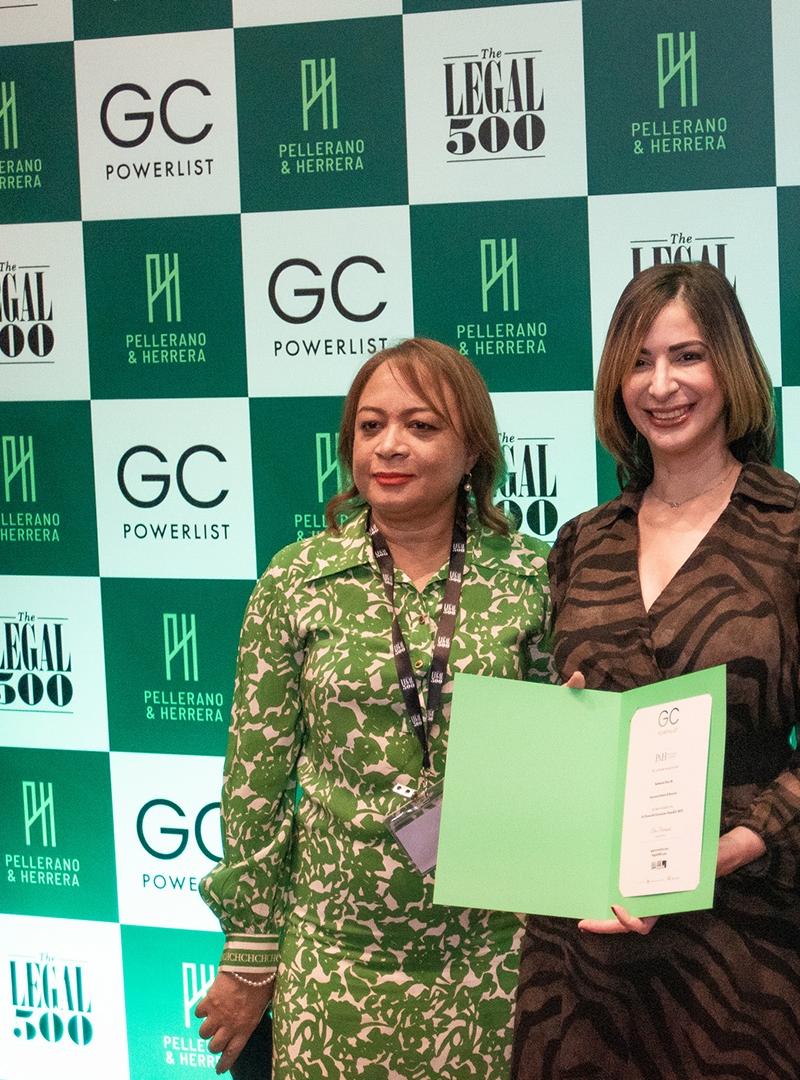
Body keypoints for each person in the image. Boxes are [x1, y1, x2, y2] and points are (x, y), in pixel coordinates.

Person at [511, 261, 800, 1080]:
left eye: (688, 356)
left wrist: (718, 854)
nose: (661, 384)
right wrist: (563, 735)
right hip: (583, 944)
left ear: (733, 368)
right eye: (640, 362)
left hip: (745, 944)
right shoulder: (583, 539)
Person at [194, 339, 551, 1078]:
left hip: (496, 957)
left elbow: (561, 763)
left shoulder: (534, 577)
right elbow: (255, 784)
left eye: (421, 425)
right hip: (336, 962)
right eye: (370, 425)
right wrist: (250, 957)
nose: (389, 445)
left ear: (472, 449)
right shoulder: (297, 580)